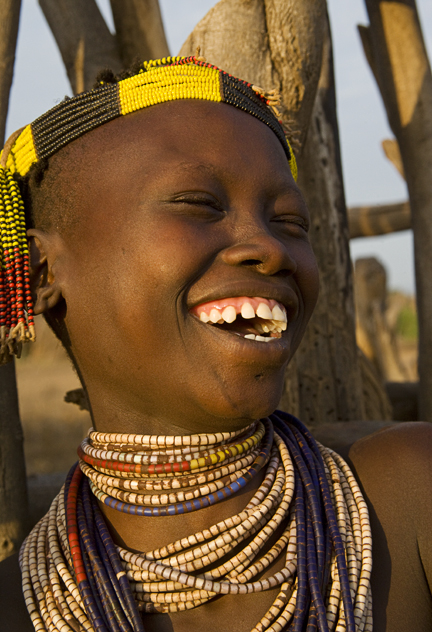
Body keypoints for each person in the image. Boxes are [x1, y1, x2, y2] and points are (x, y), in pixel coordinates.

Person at [0, 56, 431, 632]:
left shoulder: (410, 498)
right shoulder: (13, 609)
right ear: (41, 274)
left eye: (290, 222)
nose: (269, 248)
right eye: (198, 204)